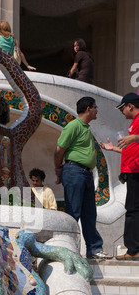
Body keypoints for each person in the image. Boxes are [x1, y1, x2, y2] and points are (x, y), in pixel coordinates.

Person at [54, 96, 111, 259]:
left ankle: (94, 248)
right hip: (74, 171)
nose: (97, 110)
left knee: (89, 212)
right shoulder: (73, 126)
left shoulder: (86, 127)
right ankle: (69, 248)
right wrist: (58, 169)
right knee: (74, 211)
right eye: (95, 107)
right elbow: (59, 150)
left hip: (85, 173)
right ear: (88, 109)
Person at [99, 92, 139, 261]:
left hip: (136, 172)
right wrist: (112, 149)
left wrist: (135, 137)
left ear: (130, 106)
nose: (122, 112)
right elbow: (130, 150)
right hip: (131, 171)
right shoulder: (133, 123)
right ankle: (133, 248)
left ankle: (133, 249)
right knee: (132, 210)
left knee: (133, 211)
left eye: (122, 108)